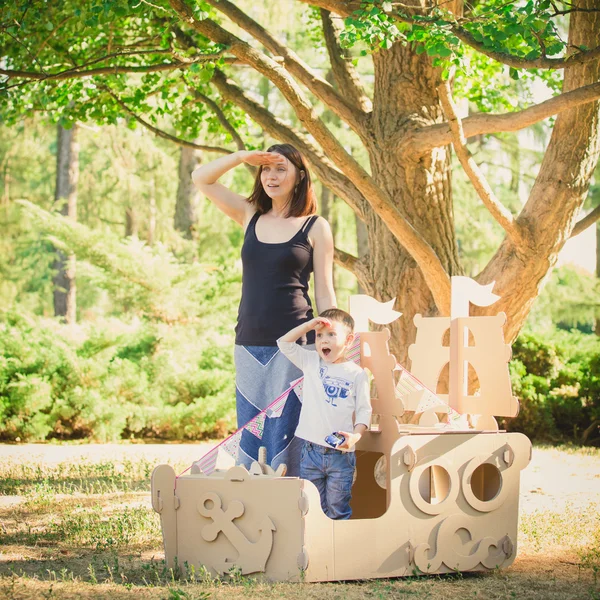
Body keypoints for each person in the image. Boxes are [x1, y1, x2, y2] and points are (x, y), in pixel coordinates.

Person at [192, 144, 336, 476]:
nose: (271, 176)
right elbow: (201, 178)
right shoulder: (249, 215)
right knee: (250, 435)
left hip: (295, 345)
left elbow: (326, 293)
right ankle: (254, 512)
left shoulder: (315, 227)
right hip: (248, 343)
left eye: (281, 168)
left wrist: (331, 343)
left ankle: (292, 510)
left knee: (286, 437)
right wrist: (242, 157)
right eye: (266, 169)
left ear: (300, 176)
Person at [277, 308, 372, 520]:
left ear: (348, 341)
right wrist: (308, 326)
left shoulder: (357, 374)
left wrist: (355, 437)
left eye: (331, 335)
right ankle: (313, 550)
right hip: (310, 452)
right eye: (319, 336)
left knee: (338, 509)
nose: (323, 341)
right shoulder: (311, 362)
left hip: (341, 455)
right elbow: (283, 343)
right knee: (311, 510)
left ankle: (338, 551)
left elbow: (365, 411)